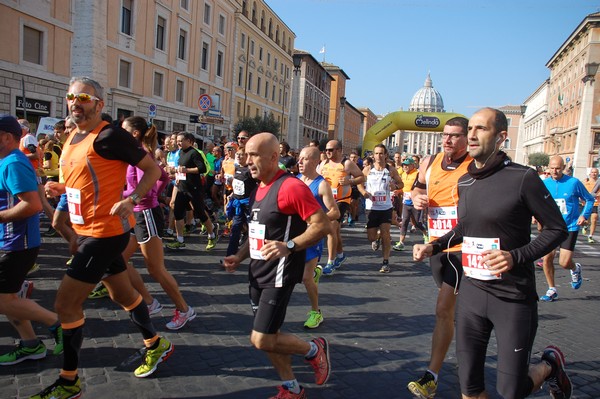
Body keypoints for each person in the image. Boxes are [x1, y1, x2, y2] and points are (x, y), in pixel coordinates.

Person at [413, 108, 572, 399]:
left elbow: (556, 229)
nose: (472, 135)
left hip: (512, 297)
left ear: (501, 137)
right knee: (470, 388)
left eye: (480, 129)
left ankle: (550, 365)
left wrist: (516, 256)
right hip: (472, 294)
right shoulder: (466, 182)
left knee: (511, 390)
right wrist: (434, 246)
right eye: (470, 128)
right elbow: (464, 228)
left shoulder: (522, 178)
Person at [34, 77, 172, 399]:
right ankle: (156, 343)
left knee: (65, 305)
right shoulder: (72, 136)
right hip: (87, 232)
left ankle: (69, 382)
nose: (75, 102)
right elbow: (83, 180)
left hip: (103, 234)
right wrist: (62, 190)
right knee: (123, 296)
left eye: (83, 97)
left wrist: (132, 198)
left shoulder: (109, 134)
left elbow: (154, 171)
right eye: (71, 97)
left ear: (99, 104)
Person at [222, 133, 331, 399]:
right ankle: (292, 387)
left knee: (261, 339)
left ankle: (314, 350)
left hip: (280, 274)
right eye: (246, 155)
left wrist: (290, 246)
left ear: (273, 157)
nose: (247, 161)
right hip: (257, 273)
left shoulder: (291, 187)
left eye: (254, 155)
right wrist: (240, 255)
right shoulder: (258, 187)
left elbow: (322, 225)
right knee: (271, 335)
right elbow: (259, 231)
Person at [407, 116, 472, 398]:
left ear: (467, 138)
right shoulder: (430, 161)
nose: (447, 140)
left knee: (443, 309)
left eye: (455, 136)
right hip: (435, 245)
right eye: (445, 135)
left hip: (462, 248)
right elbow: (418, 187)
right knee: (451, 312)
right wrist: (417, 195)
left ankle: (431, 376)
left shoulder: (474, 166)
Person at [120, 116, 196, 330]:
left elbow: (152, 180)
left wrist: (149, 196)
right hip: (136, 214)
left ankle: (184, 310)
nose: (119, 132)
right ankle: (150, 302)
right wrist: (154, 193)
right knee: (119, 261)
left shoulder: (141, 154)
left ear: (134, 133)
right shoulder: (136, 154)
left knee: (156, 269)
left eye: (123, 129)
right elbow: (162, 176)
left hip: (146, 215)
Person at [0, 114, 63, 366]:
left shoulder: (14, 163)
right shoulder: (8, 160)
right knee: (10, 299)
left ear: (6, 137)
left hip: (17, 243)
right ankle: (30, 344)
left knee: (4, 300)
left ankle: (58, 325)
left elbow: (32, 204)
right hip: (11, 242)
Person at [539, 155, 594, 302]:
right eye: (552, 168)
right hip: (551, 227)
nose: (554, 171)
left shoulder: (573, 183)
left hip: (569, 226)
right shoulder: (544, 183)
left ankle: (575, 269)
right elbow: (538, 202)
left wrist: (584, 216)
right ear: (548, 168)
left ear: (563, 168)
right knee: (547, 258)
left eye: (557, 168)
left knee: (564, 263)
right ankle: (552, 289)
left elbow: (590, 199)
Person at [297, 146, 340, 328]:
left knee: (306, 279)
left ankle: (316, 313)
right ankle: (315, 272)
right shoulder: (296, 181)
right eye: (299, 158)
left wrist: (315, 221)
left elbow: (335, 212)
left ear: (315, 162)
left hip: (313, 235)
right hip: (296, 234)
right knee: (293, 275)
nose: (299, 162)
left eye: (305, 159)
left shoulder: (322, 184)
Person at [165, 132, 217, 251]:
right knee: (177, 212)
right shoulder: (181, 153)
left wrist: (187, 170)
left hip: (194, 188)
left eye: (181, 141)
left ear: (189, 141)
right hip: (182, 187)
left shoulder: (194, 153)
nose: (178, 143)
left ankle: (212, 235)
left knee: (200, 213)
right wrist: (176, 174)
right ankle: (180, 240)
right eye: (177, 141)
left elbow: (202, 169)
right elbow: (181, 169)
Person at [320, 140, 366, 275]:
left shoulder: (346, 163)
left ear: (339, 150)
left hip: (342, 200)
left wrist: (349, 181)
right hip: (326, 201)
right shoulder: (323, 164)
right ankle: (340, 255)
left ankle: (330, 262)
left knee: (331, 227)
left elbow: (361, 177)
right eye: (326, 150)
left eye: (330, 150)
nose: (327, 152)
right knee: (336, 232)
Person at [361, 144, 402, 273]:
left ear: (385, 155)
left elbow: (401, 183)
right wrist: (363, 192)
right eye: (376, 153)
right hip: (372, 207)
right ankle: (376, 238)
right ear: (373, 155)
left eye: (381, 153)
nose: (378, 156)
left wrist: (394, 187)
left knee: (386, 233)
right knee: (371, 237)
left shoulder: (391, 170)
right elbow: (359, 183)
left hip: (386, 207)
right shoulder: (367, 169)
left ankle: (385, 262)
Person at [225, 146, 257, 256]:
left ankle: (257, 256)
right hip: (238, 203)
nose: (238, 156)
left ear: (247, 156)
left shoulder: (250, 170)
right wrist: (232, 194)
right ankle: (230, 256)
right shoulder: (237, 168)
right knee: (235, 229)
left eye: (241, 154)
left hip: (249, 205)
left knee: (255, 229)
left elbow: (259, 184)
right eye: (237, 154)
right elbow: (238, 185)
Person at [393, 157, 428, 251]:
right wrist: (398, 191)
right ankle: (401, 243)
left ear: (413, 165)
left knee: (417, 222)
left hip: (415, 202)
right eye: (404, 165)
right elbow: (404, 188)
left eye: (407, 165)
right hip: (406, 202)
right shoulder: (403, 174)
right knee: (404, 222)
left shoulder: (417, 174)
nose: (405, 167)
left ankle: (425, 234)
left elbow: (423, 187)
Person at [582, 167, 598, 243]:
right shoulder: (586, 182)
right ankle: (585, 226)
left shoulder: (599, 183)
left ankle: (590, 236)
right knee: (586, 220)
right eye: (592, 172)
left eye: (595, 172)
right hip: (587, 203)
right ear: (590, 174)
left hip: (596, 203)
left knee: (594, 219)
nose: (594, 174)